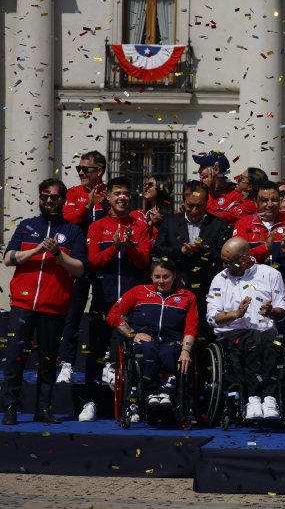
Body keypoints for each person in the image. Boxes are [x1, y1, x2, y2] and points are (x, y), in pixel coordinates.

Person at [1, 178, 86, 425]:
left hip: (54, 305)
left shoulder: (73, 231)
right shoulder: (27, 226)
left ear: (63, 199)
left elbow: (80, 269)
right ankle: (10, 408)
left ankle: (43, 409)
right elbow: (8, 258)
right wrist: (36, 251)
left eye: (54, 197)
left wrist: (58, 254)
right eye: (44, 196)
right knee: (15, 357)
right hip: (22, 304)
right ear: (39, 198)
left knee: (48, 360)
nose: (49, 201)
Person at [80, 176, 152, 422]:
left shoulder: (140, 226)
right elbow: (94, 263)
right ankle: (91, 402)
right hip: (103, 297)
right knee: (96, 350)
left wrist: (128, 246)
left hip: (133, 300)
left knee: (132, 350)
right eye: (117, 193)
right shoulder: (96, 226)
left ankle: (131, 404)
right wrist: (114, 247)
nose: (122, 197)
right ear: (108, 198)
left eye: (126, 193)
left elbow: (144, 264)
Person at [206, 237, 285, 420]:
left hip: (265, 332)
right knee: (252, 340)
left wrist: (270, 311)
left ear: (244, 258)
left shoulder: (270, 274)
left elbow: (283, 310)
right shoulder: (220, 279)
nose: (224, 265)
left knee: (269, 341)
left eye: (228, 262)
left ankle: (268, 399)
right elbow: (212, 317)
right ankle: (253, 398)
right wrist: (235, 314)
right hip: (233, 333)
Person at [106, 260, 198, 410]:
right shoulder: (139, 291)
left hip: (172, 341)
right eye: (157, 277)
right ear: (151, 276)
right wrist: (132, 334)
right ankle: (150, 392)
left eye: (165, 276)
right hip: (146, 340)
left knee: (170, 351)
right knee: (149, 349)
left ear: (174, 276)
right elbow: (113, 315)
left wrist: (186, 351)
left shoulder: (187, 297)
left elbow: (191, 328)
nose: (161, 281)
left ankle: (165, 392)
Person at [153, 180, 229, 344]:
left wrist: (203, 248)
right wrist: (181, 251)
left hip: (206, 286)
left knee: (203, 334)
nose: (194, 211)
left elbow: (223, 253)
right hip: (176, 285)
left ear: (207, 203)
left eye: (200, 206)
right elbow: (158, 249)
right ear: (183, 203)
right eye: (190, 205)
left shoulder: (218, 224)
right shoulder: (170, 222)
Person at [57, 150, 109, 384]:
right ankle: (66, 363)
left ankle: (106, 361)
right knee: (74, 311)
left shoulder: (110, 193)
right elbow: (68, 221)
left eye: (85, 169)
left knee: (104, 312)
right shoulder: (73, 192)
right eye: (79, 169)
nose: (80, 172)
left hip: (104, 261)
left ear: (99, 171)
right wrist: (87, 205)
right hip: (79, 260)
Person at [233, 180, 285, 337]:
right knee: (254, 346)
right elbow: (236, 261)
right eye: (264, 200)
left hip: (283, 298)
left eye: (274, 200)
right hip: (251, 296)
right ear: (255, 202)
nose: (270, 204)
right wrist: (265, 248)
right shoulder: (243, 224)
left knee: (283, 347)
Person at [195, 151, 245, 226]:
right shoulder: (198, 190)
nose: (199, 171)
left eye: (202, 167)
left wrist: (209, 193)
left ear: (216, 170)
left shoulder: (236, 194)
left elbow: (213, 220)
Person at [132, 173, 174, 246]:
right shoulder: (135, 215)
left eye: (150, 185)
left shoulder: (173, 216)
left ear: (161, 188)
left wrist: (159, 224)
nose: (145, 187)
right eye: (145, 184)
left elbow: (172, 243)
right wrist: (146, 226)